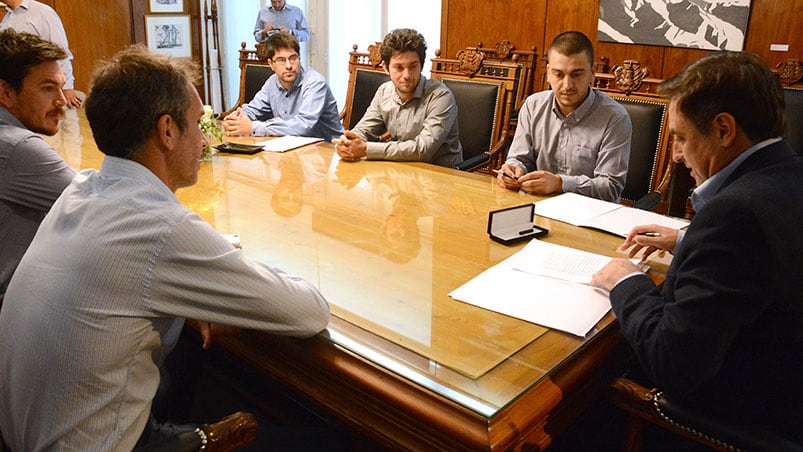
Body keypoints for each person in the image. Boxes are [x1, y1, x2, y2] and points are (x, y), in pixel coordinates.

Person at [0, 45, 330, 450]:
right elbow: (309, 311)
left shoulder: (83, 190)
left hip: (25, 437)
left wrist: (203, 284)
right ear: (168, 130)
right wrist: (214, 286)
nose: (205, 141)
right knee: (327, 439)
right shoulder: (160, 228)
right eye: (197, 123)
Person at [591, 52, 803, 442]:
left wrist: (625, 281)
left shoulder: (734, 214)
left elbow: (671, 363)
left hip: (736, 416)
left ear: (723, 130)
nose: (675, 154)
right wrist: (687, 240)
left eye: (682, 137)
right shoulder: (788, 174)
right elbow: (765, 259)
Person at [497, 31, 631, 202]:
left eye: (576, 74)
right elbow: (519, 158)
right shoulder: (533, 106)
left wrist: (560, 184)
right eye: (558, 74)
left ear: (592, 73)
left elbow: (610, 188)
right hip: (539, 205)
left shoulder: (615, 117)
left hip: (590, 215)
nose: (567, 85)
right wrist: (513, 170)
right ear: (548, 72)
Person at [0, 29, 75, 301]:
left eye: (60, 86)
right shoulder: (17, 147)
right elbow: (104, 207)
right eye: (47, 88)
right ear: (6, 92)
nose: (62, 101)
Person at [333, 28, 463, 168]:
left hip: (441, 175)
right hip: (400, 169)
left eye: (413, 66)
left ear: (421, 66)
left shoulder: (441, 96)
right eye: (399, 68)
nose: (407, 75)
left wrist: (365, 149)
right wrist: (347, 142)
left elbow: (423, 149)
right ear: (386, 67)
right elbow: (364, 129)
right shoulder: (384, 91)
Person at [223, 31, 343, 142]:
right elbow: (254, 109)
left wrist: (253, 127)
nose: (289, 66)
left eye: (293, 58)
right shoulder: (272, 82)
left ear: (299, 58)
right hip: (292, 148)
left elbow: (303, 126)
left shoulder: (315, 83)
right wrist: (235, 120)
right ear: (271, 64)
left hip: (328, 151)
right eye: (281, 60)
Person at [0, 0, 82, 108]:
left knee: (62, 123)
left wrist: (67, 88)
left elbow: (61, 51)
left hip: (47, 89)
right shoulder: (7, 18)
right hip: (22, 92)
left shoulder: (42, 12)